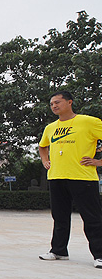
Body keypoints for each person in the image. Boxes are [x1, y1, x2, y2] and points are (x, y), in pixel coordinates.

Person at [38, 90, 102, 269]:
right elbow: (42, 146)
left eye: (58, 102)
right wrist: (45, 161)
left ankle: (99, 255)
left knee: (92, 218)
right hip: (57, 176)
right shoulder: (50, 128)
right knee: (59, 217)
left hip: (83, 177)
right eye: (51, 104)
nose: (54, 106)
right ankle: (59, 251)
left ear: (69, 102)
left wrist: (98, 161)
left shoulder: (88, 122)